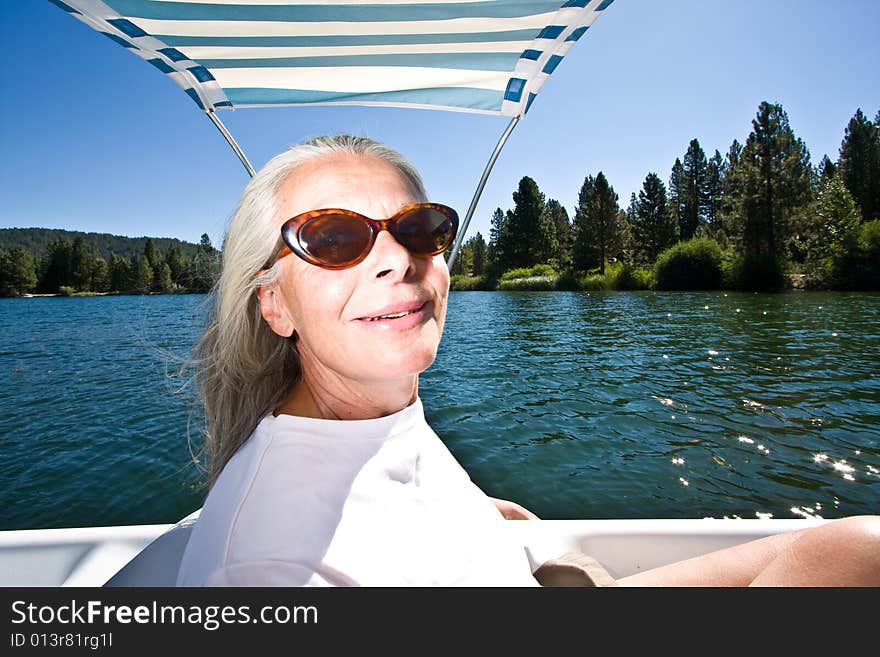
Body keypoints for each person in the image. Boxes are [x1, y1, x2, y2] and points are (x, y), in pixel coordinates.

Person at [176, 135, 879, 587]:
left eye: (420, 228)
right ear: (274, 305)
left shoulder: (374, 413)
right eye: (331, 238)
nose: (397, 259)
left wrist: (493, 523)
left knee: (861, 546)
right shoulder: (267, 573)